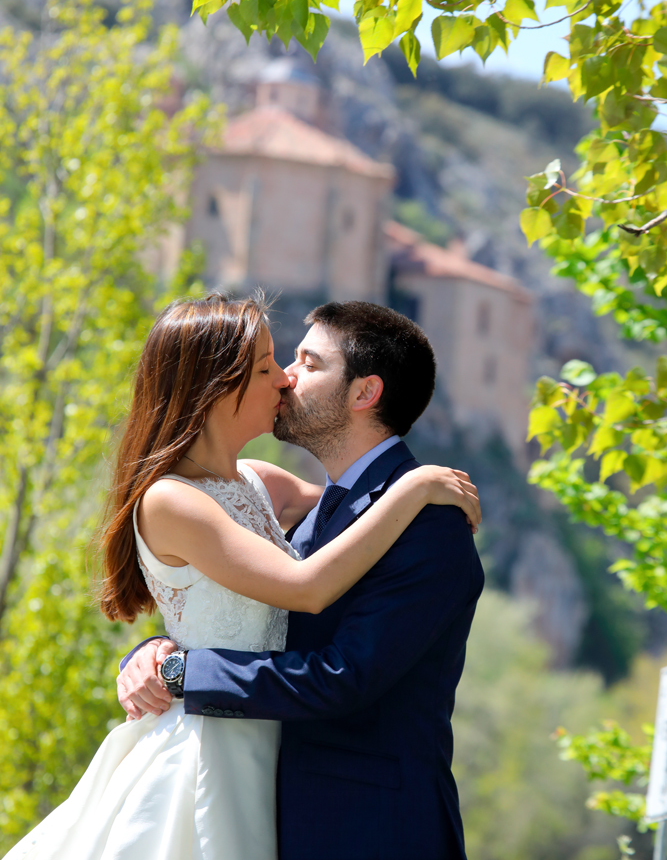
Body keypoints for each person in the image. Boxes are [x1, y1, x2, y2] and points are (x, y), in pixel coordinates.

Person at [6, 293, 481, 860]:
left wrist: (182, 668)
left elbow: (341, 675)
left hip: (371, 826)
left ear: (364, 392)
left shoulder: (417, 524)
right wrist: (162, 650)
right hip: (233, 773)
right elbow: (261, 590)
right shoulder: (311, 503)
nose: (285, 379)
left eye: (307, 363)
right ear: (216, 385)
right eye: (272, 366)